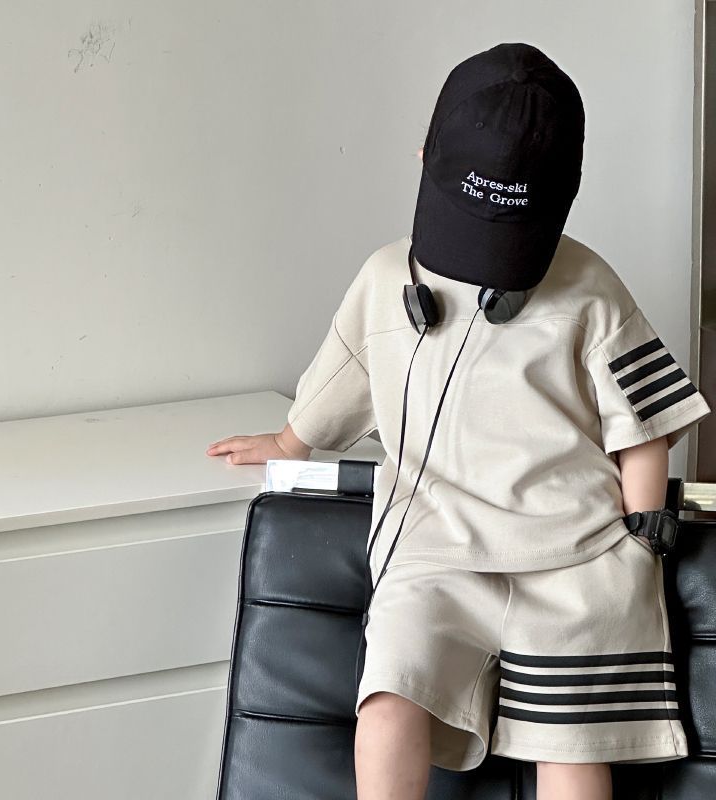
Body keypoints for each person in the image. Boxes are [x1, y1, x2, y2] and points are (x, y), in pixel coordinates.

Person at [206, 42, 712, 800]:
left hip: (575, 558)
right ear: (424, 158)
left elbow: (643, 423)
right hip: (434, 549)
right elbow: (347, 371)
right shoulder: (385, 278)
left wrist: (643, 536)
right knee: (387, 702)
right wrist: (288, 442)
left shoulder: (592, 289)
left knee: (571, 749)